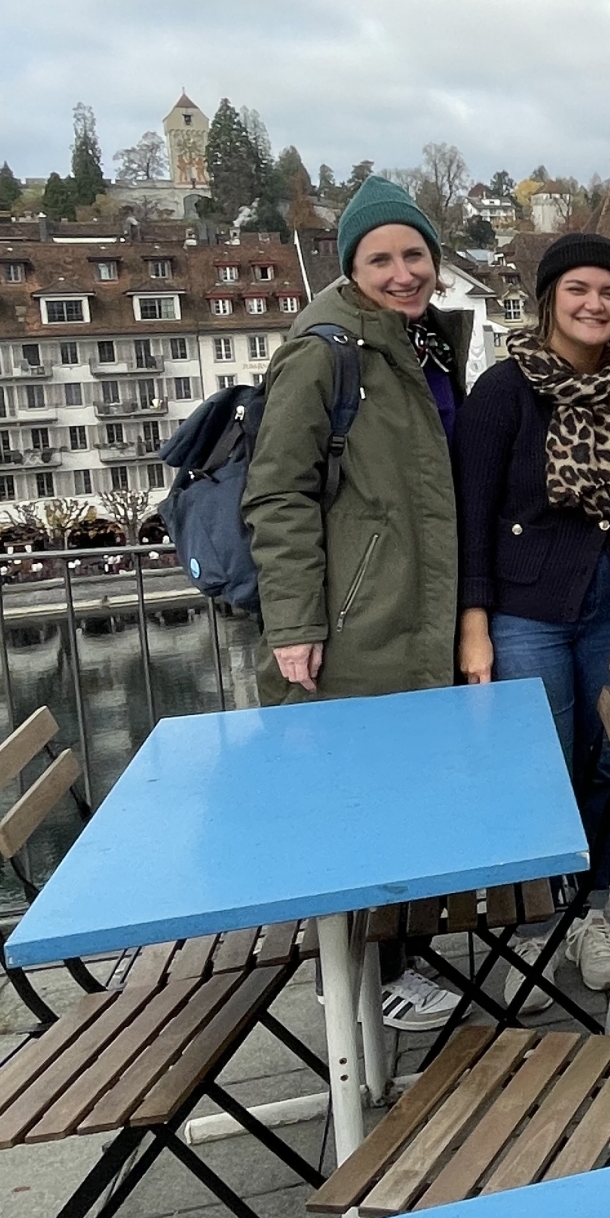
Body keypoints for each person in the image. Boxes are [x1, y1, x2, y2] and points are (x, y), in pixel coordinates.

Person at [243, 173, 470, 1031]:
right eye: (381, 258)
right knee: (359, 808)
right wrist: (294, 622)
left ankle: (391, 972)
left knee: (402, 800)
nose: (402, 271)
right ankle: (360, 986)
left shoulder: (421, 344)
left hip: (415, 609)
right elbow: (277, 495)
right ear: (351, 265)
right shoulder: (326, 350)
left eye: (415, 254)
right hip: (356, 619)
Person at [452, 232, 610, 992]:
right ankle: (537, 925)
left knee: (606, 761)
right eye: (578, 290)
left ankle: (594, 912)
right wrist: (474, 626)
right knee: (538, 771)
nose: (594, 304)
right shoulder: (505, 391)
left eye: (609, 292)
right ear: (550, 300)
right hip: (527, 609)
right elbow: (470, 514)